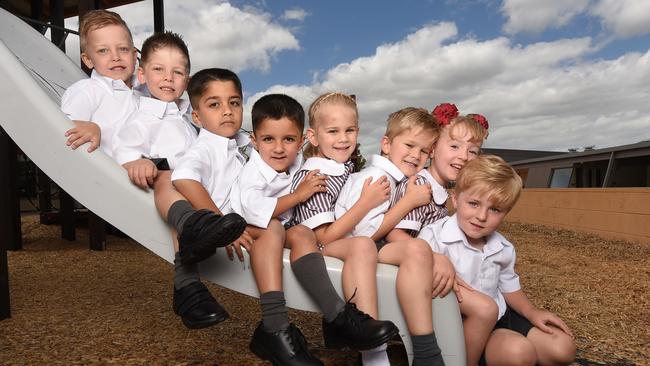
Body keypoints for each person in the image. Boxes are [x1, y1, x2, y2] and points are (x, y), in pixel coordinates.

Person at [231, 93, 397, 365]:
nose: (279, 148)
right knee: (299, 232)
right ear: (254, 141)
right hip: (257, 230)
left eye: (288, 140)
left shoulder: (305, 163)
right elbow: (253, 211)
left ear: (301, 140)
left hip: (292, 230)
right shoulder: (264, 172)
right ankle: (337, 316)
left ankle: (339, 318)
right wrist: (300, 195)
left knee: (299, 232)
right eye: (268, 139)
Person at [110, 36, 246, 330]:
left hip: (203, 186)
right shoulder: (141, 118)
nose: (168, 78)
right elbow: (124, 147)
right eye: (159, 70)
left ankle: (189, 289)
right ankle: (189, 270)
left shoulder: (190, 115)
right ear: (142, 74)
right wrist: (137, 160)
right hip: (167, 185)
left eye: (178, 72)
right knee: (169, 176)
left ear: (187, 79)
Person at [418, 155, 576, 366]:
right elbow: (411, 271)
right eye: (473, 203)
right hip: (459, 325)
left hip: (501, 317)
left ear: (506, 212)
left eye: (494, 209)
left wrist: (531, 311)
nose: (481, 216)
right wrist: (432, 258)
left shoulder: (502, 247)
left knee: (563, 348)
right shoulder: (434, 237)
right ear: (455, 199)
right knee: (520, 353)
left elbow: (509, 286)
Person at [335, 107, 445, 366]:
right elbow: (366, 233)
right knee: (409, 248)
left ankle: (425, 351)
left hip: (373, 246)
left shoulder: (398, 178)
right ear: (386, 144)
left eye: (424, 151)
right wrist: (407, 203)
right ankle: (374, 357)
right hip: (349, 247)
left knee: (418, 249)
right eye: (409, 145)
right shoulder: (377, 178)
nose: (416, 155)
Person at [60, 9, 139, 157]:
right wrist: (89, 127)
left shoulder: (146, 91)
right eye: (103, 51)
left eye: (123, 49)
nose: (115, 57)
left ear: (134, 56)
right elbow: (59, 128)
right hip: (112, 175)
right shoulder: (87, 90)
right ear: (88, 60)